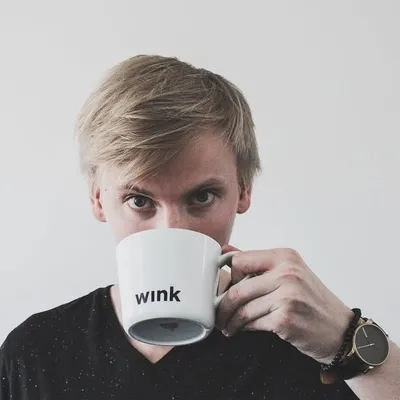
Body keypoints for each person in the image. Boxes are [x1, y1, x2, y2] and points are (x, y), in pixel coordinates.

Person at [0, 55, 399, 400]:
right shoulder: (35, 353)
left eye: (202, 197)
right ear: (97, 199)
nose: (171, 229)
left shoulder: (303, 338)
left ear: (243, 189)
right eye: (139, 201)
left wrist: (347, 339)